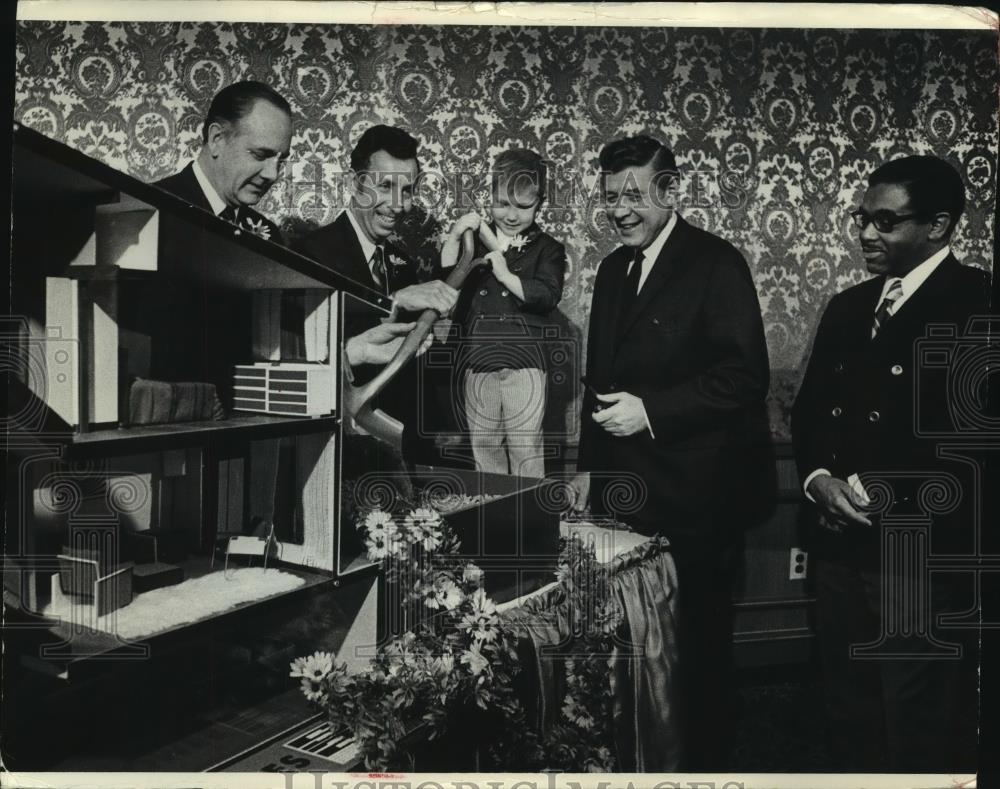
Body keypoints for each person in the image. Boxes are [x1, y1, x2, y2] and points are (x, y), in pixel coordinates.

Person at [575, 134, 771, 770]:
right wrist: (585, 480)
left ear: (670, 189)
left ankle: (707, 766)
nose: (621, 211)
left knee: (697, 650)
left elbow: (745, 377)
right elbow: (596, 385)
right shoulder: (611, 270)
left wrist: (653, 412)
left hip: (699, 503)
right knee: (637, 648)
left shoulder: (717, 263)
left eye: (633, 196)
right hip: (623, 499)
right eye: (610, 199)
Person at [791, 155, 987, 772]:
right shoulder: (848, 308)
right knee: (848, 713)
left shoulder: (980, 304)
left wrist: (883, 494)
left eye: (885, 221)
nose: (866, 235)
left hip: (920, 560)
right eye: (861, 219)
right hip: (839, 553)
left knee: (917, 724)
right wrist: (818, 480)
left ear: (939, 226)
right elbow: (810, 415)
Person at [296, 125, 458, 465]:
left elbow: (406, 368)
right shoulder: (310, 253)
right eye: (385, 186)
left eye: (408, 190)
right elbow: (303, 355)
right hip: (333, 447)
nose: (398, 206)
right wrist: (394, 302)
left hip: (396, 450)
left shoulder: (403, 262)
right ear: (356, 185)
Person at [442, 149, 567, 478]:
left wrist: (507, 277)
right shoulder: (476, 246)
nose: (511, 215)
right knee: (484, 443)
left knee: (525, 446)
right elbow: (445, 287)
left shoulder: (548, 248)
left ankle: (530, 519)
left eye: (523, 207)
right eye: (502, 204)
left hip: (524, 363)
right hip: (477, 360)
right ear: (490, 197)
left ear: (539, 203)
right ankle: (495, 516)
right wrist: (455, 238)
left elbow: (547, 295)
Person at [154, 80, 290, 242]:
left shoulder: (269, 235)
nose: (272, 175)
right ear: (216, 139)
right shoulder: (152, 209)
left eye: (280, 160)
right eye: (260, 155)